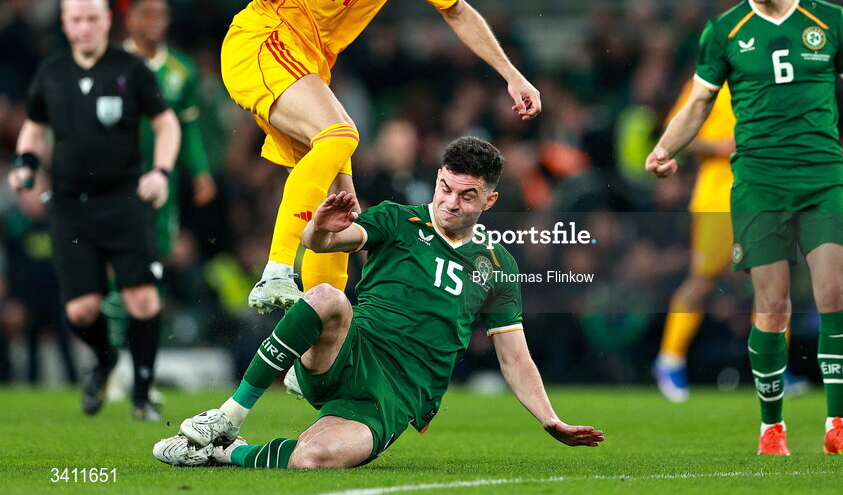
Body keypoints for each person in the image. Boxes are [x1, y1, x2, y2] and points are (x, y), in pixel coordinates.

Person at [217, 0, 541, 314]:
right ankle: (277, 271)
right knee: (339, 133)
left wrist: (511, 74)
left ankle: (319, 343)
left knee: (342, 220)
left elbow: (456, 10)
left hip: (308, 67)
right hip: (262, 41)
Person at [154, 136, 602, 469]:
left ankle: (226, 453)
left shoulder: (497, 263)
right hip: (349, 351)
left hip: (396, 397)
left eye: (468, 196)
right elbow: (326, 243)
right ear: (437, 179)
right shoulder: (398, 218)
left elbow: (515, 358)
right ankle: (228, 416)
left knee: (316, 458)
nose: (450, 202)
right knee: (328, 297)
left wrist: (549, 419)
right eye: (445, 187)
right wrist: (320, 229)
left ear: (491, 200)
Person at [646, 0, 843, 455]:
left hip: (822, 179)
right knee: (772, 306)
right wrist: (665, 149)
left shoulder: (830, 21)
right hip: (758, 185)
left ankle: (837, 426)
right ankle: (772, 428)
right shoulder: (724, 31)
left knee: (834, 291)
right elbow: (698, 103)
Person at [7, 0, 181, 420]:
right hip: (69, 205)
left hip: (125, 198)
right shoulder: (51, 73)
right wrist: (26, 163)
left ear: (107, 21)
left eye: (92, 18)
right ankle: (104, 361)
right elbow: (33, 127)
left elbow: (167, 125)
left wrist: (160, 174)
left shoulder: (132, 69)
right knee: (81, 310)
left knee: (143, 298)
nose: (84, 27)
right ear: (65, 24)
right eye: (76, 19)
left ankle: (142, 393)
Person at [652, 81, 809, 402]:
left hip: (764, 195)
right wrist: (719, 145)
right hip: (717, 199)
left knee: (773, 284)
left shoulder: (772, 80)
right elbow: (676, 133)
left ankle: (774, 368)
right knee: (703, 280)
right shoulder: (708, 82)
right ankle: (669, 359)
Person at [102, 0, 218, 363]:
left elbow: (189, 128)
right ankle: (114, 355)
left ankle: (136, 356)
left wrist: (200, 172)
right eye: (146, 14)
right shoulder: (109, 64)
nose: (154, 22)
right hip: (114, 181)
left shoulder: (181, 70)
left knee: (157, 259)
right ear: (130, 20)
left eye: (160, 15)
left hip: (160, 183)